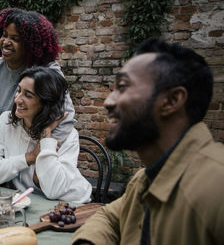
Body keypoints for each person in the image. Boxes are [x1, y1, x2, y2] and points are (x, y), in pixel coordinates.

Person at [72, 38, 224, 245]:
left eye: (123, 86)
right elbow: (109, 216)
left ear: (171, 101)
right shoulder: (146, 179)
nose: (108, 101)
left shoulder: (216, 186)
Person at [0, 67, 92, 203]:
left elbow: (54, 190)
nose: (17, 100)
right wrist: (29, 157)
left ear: (45, 102)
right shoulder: (5, 122)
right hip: (29, 204)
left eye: (28, 95)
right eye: (18, 91)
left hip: (71, 204)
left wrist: (46, 135)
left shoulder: (67, 135)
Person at [0, 7, 76, 141]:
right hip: (7, 146)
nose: (6, 42)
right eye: (4, 35)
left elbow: (66, 117)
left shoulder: (47, 70)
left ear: (30, 44)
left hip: (40, 143)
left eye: (15, 39)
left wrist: (47, 149)